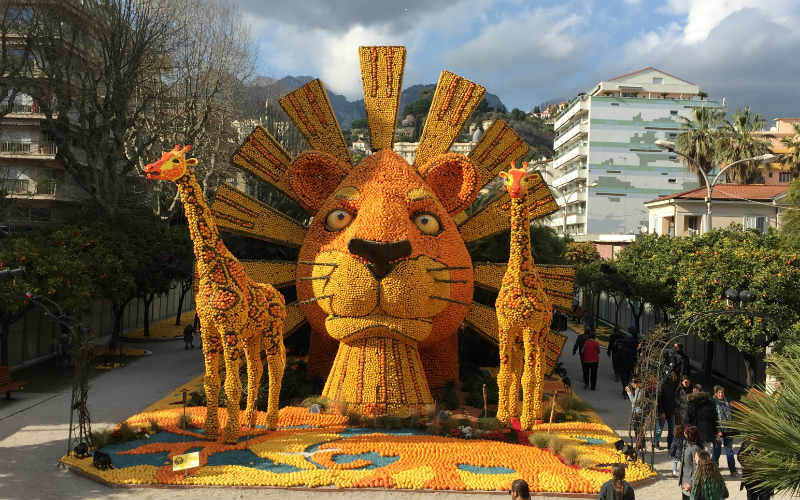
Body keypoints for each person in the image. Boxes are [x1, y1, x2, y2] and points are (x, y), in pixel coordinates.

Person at [712, 386, 737, 476]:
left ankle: (733, 470)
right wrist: (717, 430)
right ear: (715, 393)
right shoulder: (713, 403)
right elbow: (713, 418)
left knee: (729, 450)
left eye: (722, 392)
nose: (721, 394)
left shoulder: (727, 402)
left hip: (728, 429)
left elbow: (732, 415)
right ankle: (714, 468)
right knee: (716, 450)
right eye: (719, 392)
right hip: (718, 430)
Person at [679, 425, 705, 499]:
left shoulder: (695, 449)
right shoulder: (687, 444)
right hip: (685, 481)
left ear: (690, 436)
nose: (684, 436)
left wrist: (690, 483)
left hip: (691, 483)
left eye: (686, 434)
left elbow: (698, 468)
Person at [655, 371, 678, 450]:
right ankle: (656, 442)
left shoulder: (674, 385)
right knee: (659, 429)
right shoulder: (663, 385)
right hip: (663, 411)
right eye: (674, 376)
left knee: (672, 430)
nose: (675, 378)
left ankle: (670, 444)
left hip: (671, 411)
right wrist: (661, 412)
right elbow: (659, 399)